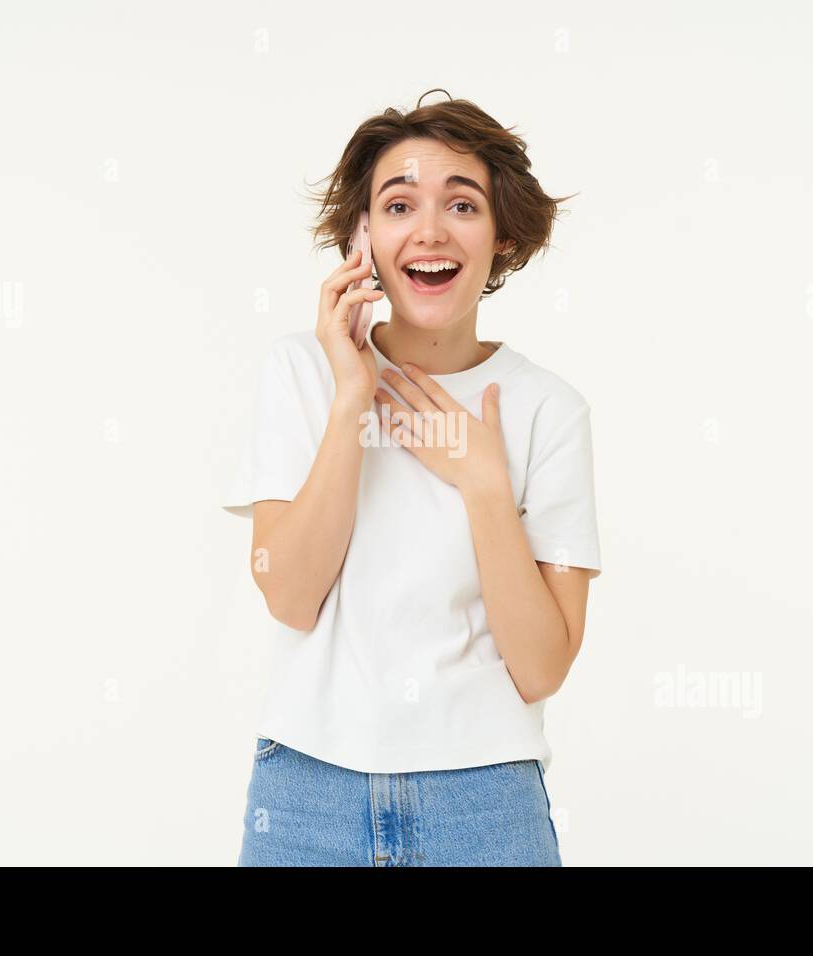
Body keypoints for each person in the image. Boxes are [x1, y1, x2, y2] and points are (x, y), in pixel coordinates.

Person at [222, 90, 602, 866]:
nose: (429, 229)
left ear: (502, 237)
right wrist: (352, 395)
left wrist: (485, 485)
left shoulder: (550, 411)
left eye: (462, 205)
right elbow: (289, 595)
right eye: (399, 205)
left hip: (486, 800)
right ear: (363, 237)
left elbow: (541, 667)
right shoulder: (304, 373)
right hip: (306, 793)